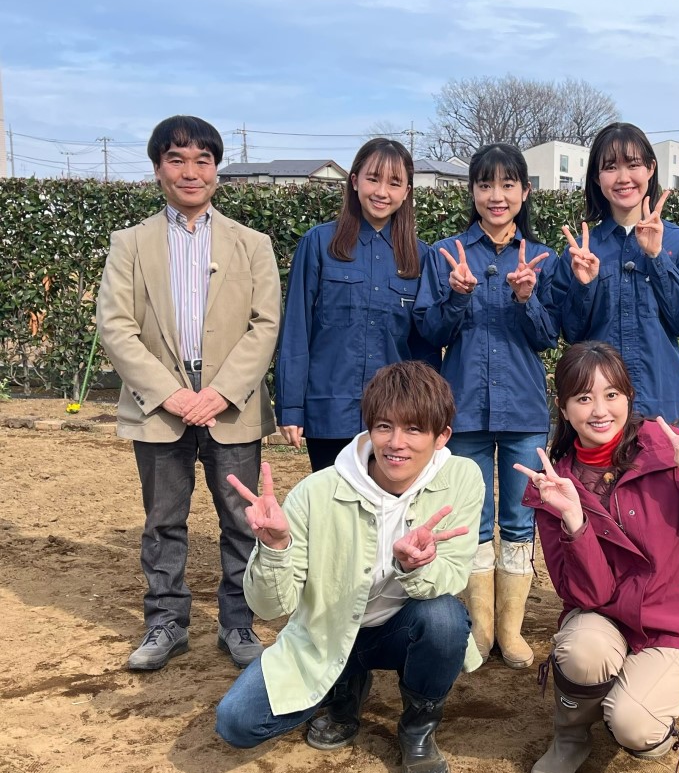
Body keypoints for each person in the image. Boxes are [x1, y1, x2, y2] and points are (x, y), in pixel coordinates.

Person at [215, 361, 485, 773]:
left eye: (415, 430)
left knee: (444, 618)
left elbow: (451, 575)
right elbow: (269, 608)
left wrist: (411, 566)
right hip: (328, 635)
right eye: (384, 427)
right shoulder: (315, 492)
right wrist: (275, 547)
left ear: (442, 437)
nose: (397, 444)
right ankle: (344, 687)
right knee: (236, 723)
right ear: (369, 429)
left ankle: (418, 728)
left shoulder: (462, 479)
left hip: (404, 629)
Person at [517, 341, 679, 773]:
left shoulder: (668, 449)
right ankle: (570, 736)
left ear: (628, 398)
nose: (600, 411)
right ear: (563, 408)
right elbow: (588, 595)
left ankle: (639, 704)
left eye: (612, 395)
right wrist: (575, 520)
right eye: (583, 398)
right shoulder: (556, 485)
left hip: (675, 621)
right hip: (606, 615)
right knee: (582, 650)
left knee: (633, 725)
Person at [96, 115, 281, 672]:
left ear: (217, 171)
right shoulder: (129, 244)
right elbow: (117, 326)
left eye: (203, 160)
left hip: (233, 404)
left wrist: (221, 391)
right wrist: (171, 394)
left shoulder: (252, 244)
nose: (190, 171)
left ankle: (238, 622)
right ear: (158, 169)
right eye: (177, 159)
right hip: (161, 406)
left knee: (241, 517)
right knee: (163, 519)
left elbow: (265, 324)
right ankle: (166, 622)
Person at [414, 144, 556, 669]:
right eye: (485, 185)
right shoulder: (446, 254)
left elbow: (548, 337)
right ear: (472, 191)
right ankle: (480, 629)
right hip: (465, 409)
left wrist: (526, 298)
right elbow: (429, 331)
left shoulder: (542, 257)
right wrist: (454, 296)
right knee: (472, 521)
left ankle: (512, 634)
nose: (496, 196)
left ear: (524, 191)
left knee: (520, 520)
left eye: (508, 184)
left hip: (522, 410)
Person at [274, 138, 440, 472]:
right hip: (329, 408)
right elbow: (296, 329)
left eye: (395, 183)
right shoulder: (319, 244)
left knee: (389, 512)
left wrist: (425, 415)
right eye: (373, 179)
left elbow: (424, 348)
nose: (382, 192)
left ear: (407, 191)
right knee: (334, 510)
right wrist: (291, 407)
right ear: (354, 181)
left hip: (396, 419)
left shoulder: (420, 256)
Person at [551, 122, 679, 423]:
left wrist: (657, 257)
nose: (623, 178)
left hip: (663, 406)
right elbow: (572, 334)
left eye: (633, 165)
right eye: (610, 167)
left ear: (650, 168)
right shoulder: (583, 250)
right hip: (600, 414)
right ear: (597, 178)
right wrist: (584, 286)